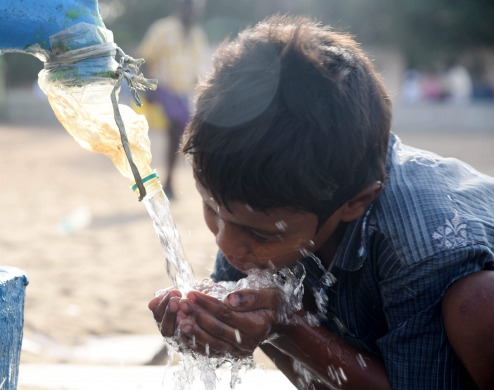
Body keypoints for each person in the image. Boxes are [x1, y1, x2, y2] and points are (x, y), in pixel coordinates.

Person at [148, 16, 494, 390]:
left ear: (355, 203)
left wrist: (289, 324)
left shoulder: (421, 245)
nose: (225, 244)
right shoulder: (268, 210)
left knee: (478, 304)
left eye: (256, 232)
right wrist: (220, 324)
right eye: (212, 210)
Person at [137, 0, 208, 199]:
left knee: (183, 133)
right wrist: (145, 88)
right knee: (177, 127)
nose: (191, 12)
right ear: (180, 8)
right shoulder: (162, 29)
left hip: (183, 94)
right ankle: (165, 181)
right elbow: (144, 58)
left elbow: (197, 72)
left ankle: (168, 180)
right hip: (162, 87)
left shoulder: (197, 35)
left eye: (194, 9)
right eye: (187, 7)